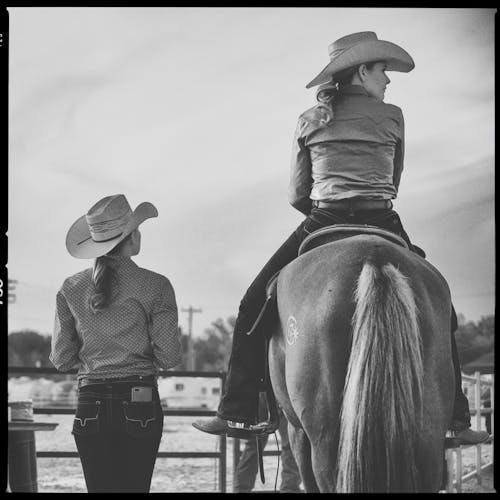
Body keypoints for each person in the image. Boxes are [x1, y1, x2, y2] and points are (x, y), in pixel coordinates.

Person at [193, 32, 489, 446]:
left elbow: (298, 192)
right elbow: (394, 181)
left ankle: (240, 410)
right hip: (383, 220)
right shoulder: (393, 116)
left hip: (323, 219)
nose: (387, 81)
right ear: (363, 70)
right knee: (442, 306)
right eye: (383, 71)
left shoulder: (308, 119)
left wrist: (326, 213)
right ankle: (454, 418)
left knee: (252, 302)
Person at [50, 194, 182, 493]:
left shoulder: (70, 288)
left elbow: (61, 358)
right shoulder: (156, 285)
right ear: (132, 237)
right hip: (140, 399)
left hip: (90, 399)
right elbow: (170, 356)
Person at [233, 397, 302, 493]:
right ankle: (289, 488)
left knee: (254, 445)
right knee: (290, 445)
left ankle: (241, 488)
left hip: (262, 391)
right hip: (283, 394)